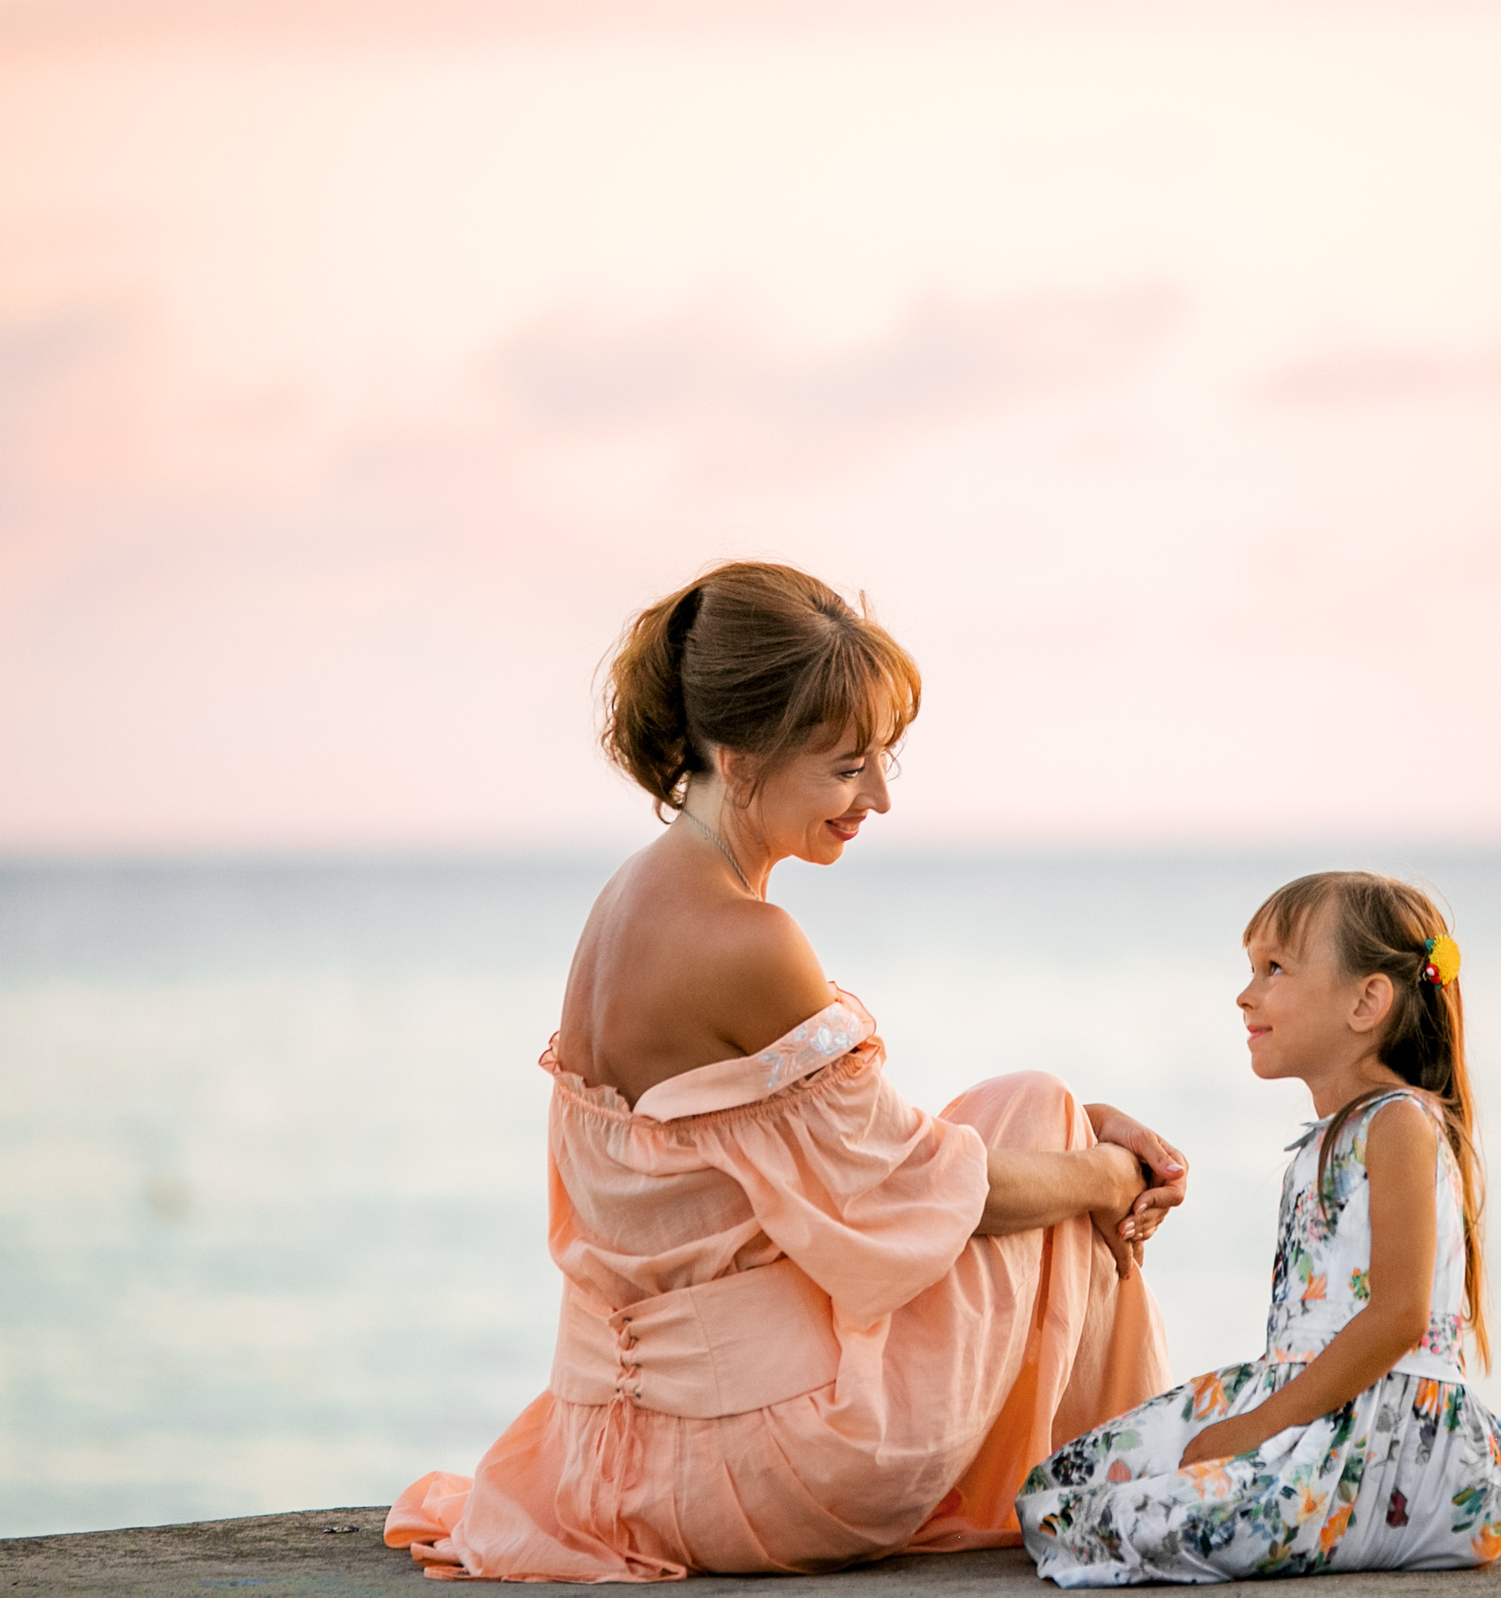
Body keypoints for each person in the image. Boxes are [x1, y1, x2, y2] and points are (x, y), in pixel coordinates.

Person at [386, 561, 1184, 1581]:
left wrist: (1082, 1132)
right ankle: (1125, 1501)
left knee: (1037, 1107)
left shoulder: (627, 900)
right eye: (849, 767)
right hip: (756, 1471)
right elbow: (932, 1188)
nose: (881, 797)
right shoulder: (748, 940)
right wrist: (1114, 1177)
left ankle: (1113, 1488)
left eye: (886, 759)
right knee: (1057, 1148)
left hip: (605, 1461)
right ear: (739, 757)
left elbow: (854, 1161)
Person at [1016, 873, 1501, 1583]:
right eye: (1250, 967)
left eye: (1275, 968)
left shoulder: (1400, 1125)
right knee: (1055, 1492)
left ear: (1366, 1001)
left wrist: (1252, 1429)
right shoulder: (1324, 1140)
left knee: (1144, 1520)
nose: (1246, 993)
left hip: (1387, 1438)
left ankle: (1380, 1517)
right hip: (1303, 1399)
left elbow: (1397, 1316)